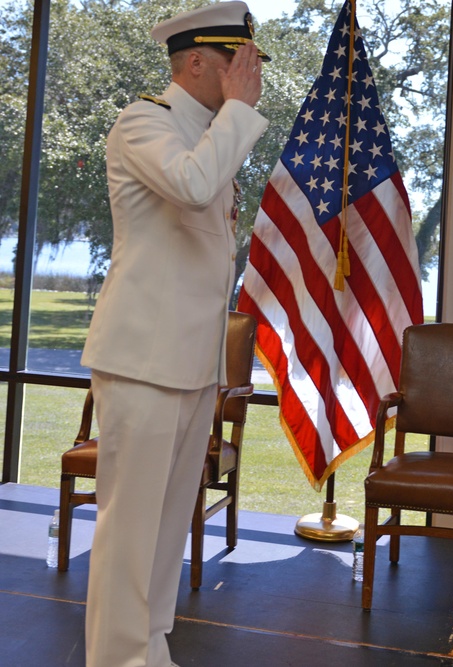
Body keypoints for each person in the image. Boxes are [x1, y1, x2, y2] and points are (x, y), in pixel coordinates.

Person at [79, 3, 270, 665]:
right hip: (142, 359)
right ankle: (115, 656)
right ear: (195, 63)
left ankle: (149, 643)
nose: (250, 76)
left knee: (165, 527)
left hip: (190, 362)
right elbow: (191, 186)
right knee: (130, 529)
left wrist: (233, 116)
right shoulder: (145, 123)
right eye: (236, 63)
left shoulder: (211, 134)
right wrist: (242, 112)